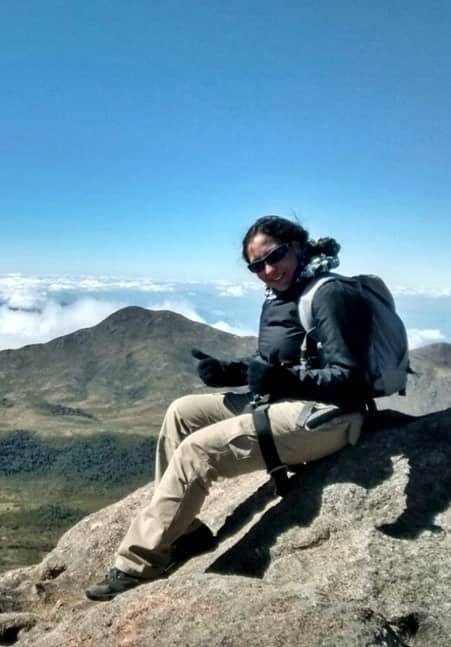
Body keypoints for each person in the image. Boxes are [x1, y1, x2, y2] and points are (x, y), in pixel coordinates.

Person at [85, 215, 374, 601]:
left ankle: (139, 564)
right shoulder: (282, 295)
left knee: (197, 452)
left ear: (297, 245)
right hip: (288, 401)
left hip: (329, 415)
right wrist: (229, 372)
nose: (267, 270)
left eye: (274, 257)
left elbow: (352, 379)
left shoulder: (328, 294)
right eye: (257, 266)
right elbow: (277, 364)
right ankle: (185, 533)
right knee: (181, 412)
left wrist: (283, 380)